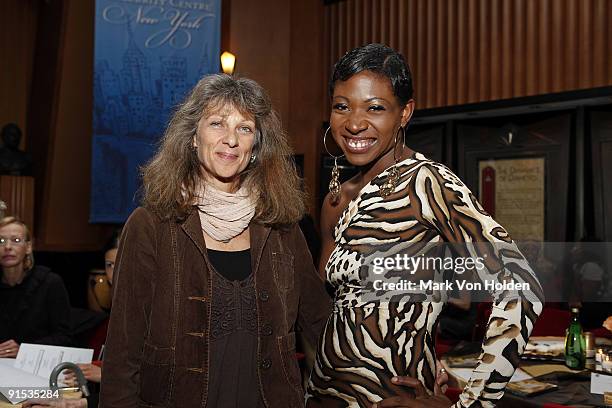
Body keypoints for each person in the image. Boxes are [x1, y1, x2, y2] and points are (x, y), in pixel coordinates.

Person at [306, 44, 544, 407]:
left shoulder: (430, 184)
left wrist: (471, 401)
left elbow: (521, 287)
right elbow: (325, 308)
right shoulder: (334, 200)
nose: (354, 122)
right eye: (342, 106)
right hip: (324, 394)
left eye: (375, 108)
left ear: (405, 113)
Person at [0, 216, 71, 356]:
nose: (7, 247)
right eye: (1, 241)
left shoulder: (50, 283)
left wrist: (24, 350)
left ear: (28, 247)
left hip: (36, 366)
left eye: (16, 240)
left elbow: (64, 337)